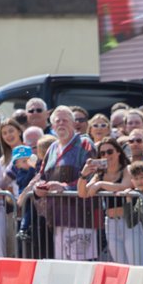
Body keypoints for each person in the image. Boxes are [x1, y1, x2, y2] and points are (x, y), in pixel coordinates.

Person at [31, 106, 96, 261]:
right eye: (57, 121)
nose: (61, 123)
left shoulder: (85, 144)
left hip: (80, 217)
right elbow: (41, 175)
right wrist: (37, 188)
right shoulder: (52, 148)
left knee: (82, 267)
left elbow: (93, 176)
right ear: (52, 126)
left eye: (65, 120)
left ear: (73, 123)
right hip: (57, 218)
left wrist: (65, 187)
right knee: (63, 267)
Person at [79, 136, 136, 263]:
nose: (106, 155)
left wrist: (100, 185)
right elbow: (83, 193)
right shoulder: (100, 174)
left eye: (110, 152)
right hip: (110, 223)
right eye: (102, 153)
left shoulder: (127, 169)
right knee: (120, 264)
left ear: (118, 152)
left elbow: (124, 186)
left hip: (130, 221)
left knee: (135, 263)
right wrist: (83, 175)